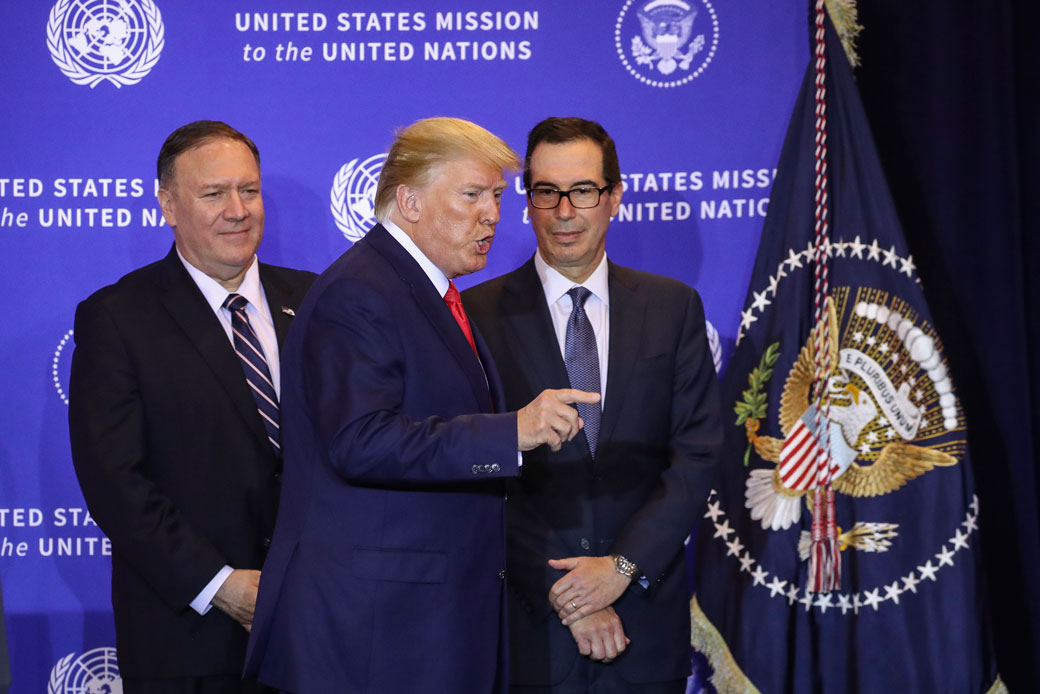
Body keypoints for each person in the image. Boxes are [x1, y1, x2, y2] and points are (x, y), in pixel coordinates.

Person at [244, 117, 599, 694]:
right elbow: (361, 441)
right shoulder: (360, 291)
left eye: (497, 197)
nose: (492, 214)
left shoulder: (424, 289)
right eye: (472, 195)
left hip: (427, 625)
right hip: (377, 636)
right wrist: (510, 434)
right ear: (408, 201)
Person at [464, 117, 723, 693]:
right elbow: (473, 469)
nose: (563, 211)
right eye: (546, 192)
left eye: (582, 191)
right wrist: (572, 596)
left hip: (644, 618)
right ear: (527, 201)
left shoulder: (672, 307)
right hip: (525, 622)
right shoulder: (474, 315)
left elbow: (697, 456)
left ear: (614, 198)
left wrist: (621, 569)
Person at [68, 120, 316, 693]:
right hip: (190, 640)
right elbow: (115, 482)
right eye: (214, 194)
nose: (238, 210)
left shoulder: (315, 300)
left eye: (249, 191)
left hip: (317, 628)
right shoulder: (117, 318)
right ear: (168, 206)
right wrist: (219, 584)